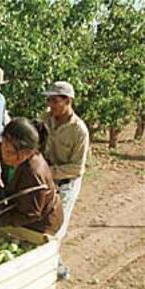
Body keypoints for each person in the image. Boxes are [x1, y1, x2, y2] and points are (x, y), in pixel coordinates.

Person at [0, 117, 63, 236]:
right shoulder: (6, 149)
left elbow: (30, 214)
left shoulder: (33, 174)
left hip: (42, 222)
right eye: (4, 146)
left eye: (11, 153)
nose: (5, 155)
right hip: (20, 207)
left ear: (27, 153)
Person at [41, 81, 89, 239]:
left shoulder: (79, 131)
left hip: (66, 183)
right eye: (49, 100)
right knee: (41, 222)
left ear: (68, 100)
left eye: (55, 101)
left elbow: (77, 168)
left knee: (56, 227)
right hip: (48, 180)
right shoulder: (46, 119)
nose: (50, 105)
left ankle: (53, 260)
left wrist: (49, 172)